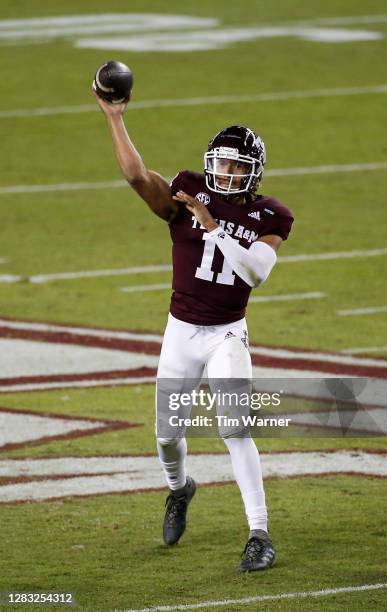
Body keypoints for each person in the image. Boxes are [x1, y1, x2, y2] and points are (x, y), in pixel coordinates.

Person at [93, 89, 294, 571]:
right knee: (166, 435)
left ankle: (259, 533)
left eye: (236, 166)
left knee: (235, 428)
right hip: (181, 330)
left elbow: (255, 273)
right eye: (220, 165)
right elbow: (138, 177)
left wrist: (214, 225)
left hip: (227, 332)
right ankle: (180, 489)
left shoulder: (270, 214)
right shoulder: (188, 192)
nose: (226, 174)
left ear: (253, 172)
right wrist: (114, 117)